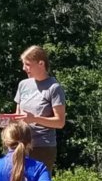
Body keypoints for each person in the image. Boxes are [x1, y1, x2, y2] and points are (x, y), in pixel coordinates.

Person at [14, 45, 66, 173]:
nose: (24, 68)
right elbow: (18, 115)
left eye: (27, 64)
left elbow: (60, 122)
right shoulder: (23, 84)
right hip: (21, 144)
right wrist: (4, 121)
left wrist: (34, 119)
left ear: (41, 63)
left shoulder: (54, 88)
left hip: (42, 147)